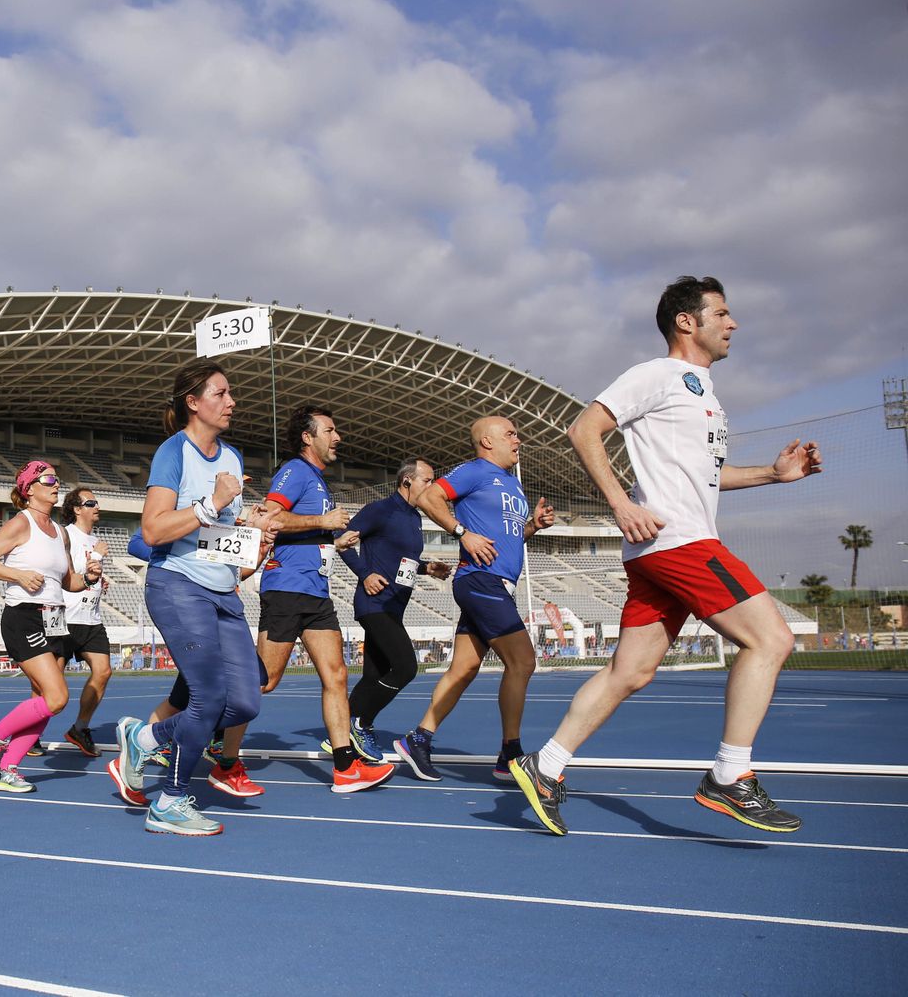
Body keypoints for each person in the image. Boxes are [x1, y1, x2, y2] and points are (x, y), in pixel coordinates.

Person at [510, 276, 823, 836]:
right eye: (722, 313)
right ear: (687, 321)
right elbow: (584, 429)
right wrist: (620, 506)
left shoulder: (703, 393)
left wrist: (773, 475)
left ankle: (546, 765)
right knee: (771, 639)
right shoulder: (657, 374)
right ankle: (730, 775)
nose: (733, 324)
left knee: (630, 671)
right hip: (677, 541)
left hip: (663, 548)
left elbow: (705, 476)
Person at [107, 359, 280, 835]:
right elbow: (153, 529)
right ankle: (170, 801)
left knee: (244, 703)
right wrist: (214, 503)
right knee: (208, 698)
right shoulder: (173, 452)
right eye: (221, 393)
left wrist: (256, 537)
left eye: (230, 394)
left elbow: (219, 539)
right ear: (193, 402)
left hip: (223, 591)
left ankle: (144, 738)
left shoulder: (233, 458)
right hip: (178, 586)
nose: (232, 401)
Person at [392, 416, 556, 783]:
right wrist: (461, 533)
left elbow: (507, 541)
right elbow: (428, 496)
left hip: (496, 584)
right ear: (487, 441)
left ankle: (419, 739)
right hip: (481, 581)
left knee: (464, 668)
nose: (518, 439)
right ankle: (510, 754)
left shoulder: (514, 485)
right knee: (523, 661)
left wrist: (532, 526)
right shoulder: (475, 471)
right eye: (510, 434)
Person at [249, 405, 395, 793]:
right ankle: (202, 728)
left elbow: (305, 530)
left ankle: (345, 768)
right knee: (264, 681)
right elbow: (271, 520)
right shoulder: (295, 472)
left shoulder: (317, 480)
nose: (338, 437)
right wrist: (324, 522)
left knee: (336, 676)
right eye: (330, 430)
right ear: (307, 437)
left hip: (316, 591)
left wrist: (333, 540)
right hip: (287, 588)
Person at [0, 461, 104, 792]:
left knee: (47, 698)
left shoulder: (60, 533)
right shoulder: (21, 523)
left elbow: (68, 581)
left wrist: (88, 577)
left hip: (55, 618)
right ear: (29, 489)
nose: (56, 484)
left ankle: (8, 769)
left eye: (57, 479)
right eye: (48, 479)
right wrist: (18, 575)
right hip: (25, 615)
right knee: (57, 697)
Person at [334, 458, 453, 753]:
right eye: (428, 480)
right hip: (375, 604)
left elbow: (401, 563)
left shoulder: (413, 517)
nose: (432, 486)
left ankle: (340, 732)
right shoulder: (381, 510)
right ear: (407, 481)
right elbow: (341, 540)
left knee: (374, 676)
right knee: (405, 667)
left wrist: (427, 569)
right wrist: (365, 574)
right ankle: (361, 725)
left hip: (394, 606)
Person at [52, 486, 115, 757]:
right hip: (65, 617)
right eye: (91, 503)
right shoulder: (65, 534)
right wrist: (97, 559)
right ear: (77, 509)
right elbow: (64, 572)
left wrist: (101, 580)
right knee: (50, 685)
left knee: (103, 671)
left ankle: (80, 728)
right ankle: (27, 734)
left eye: (96, 502)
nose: (96, 507)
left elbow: (89, 573)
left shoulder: (94, 539)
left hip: (91, 618)